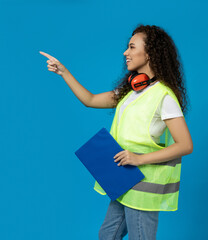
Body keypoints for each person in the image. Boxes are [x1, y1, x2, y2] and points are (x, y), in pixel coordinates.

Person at [39, 24, 193, 240]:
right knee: (107, 235)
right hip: (124, 179)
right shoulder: (130, 92)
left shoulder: (164, 97)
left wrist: (139, 158)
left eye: (131, 47)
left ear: (149, 54)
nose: (125, 53)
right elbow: (90, 100)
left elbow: (185, 145)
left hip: (143, 186)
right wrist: (63, 72)